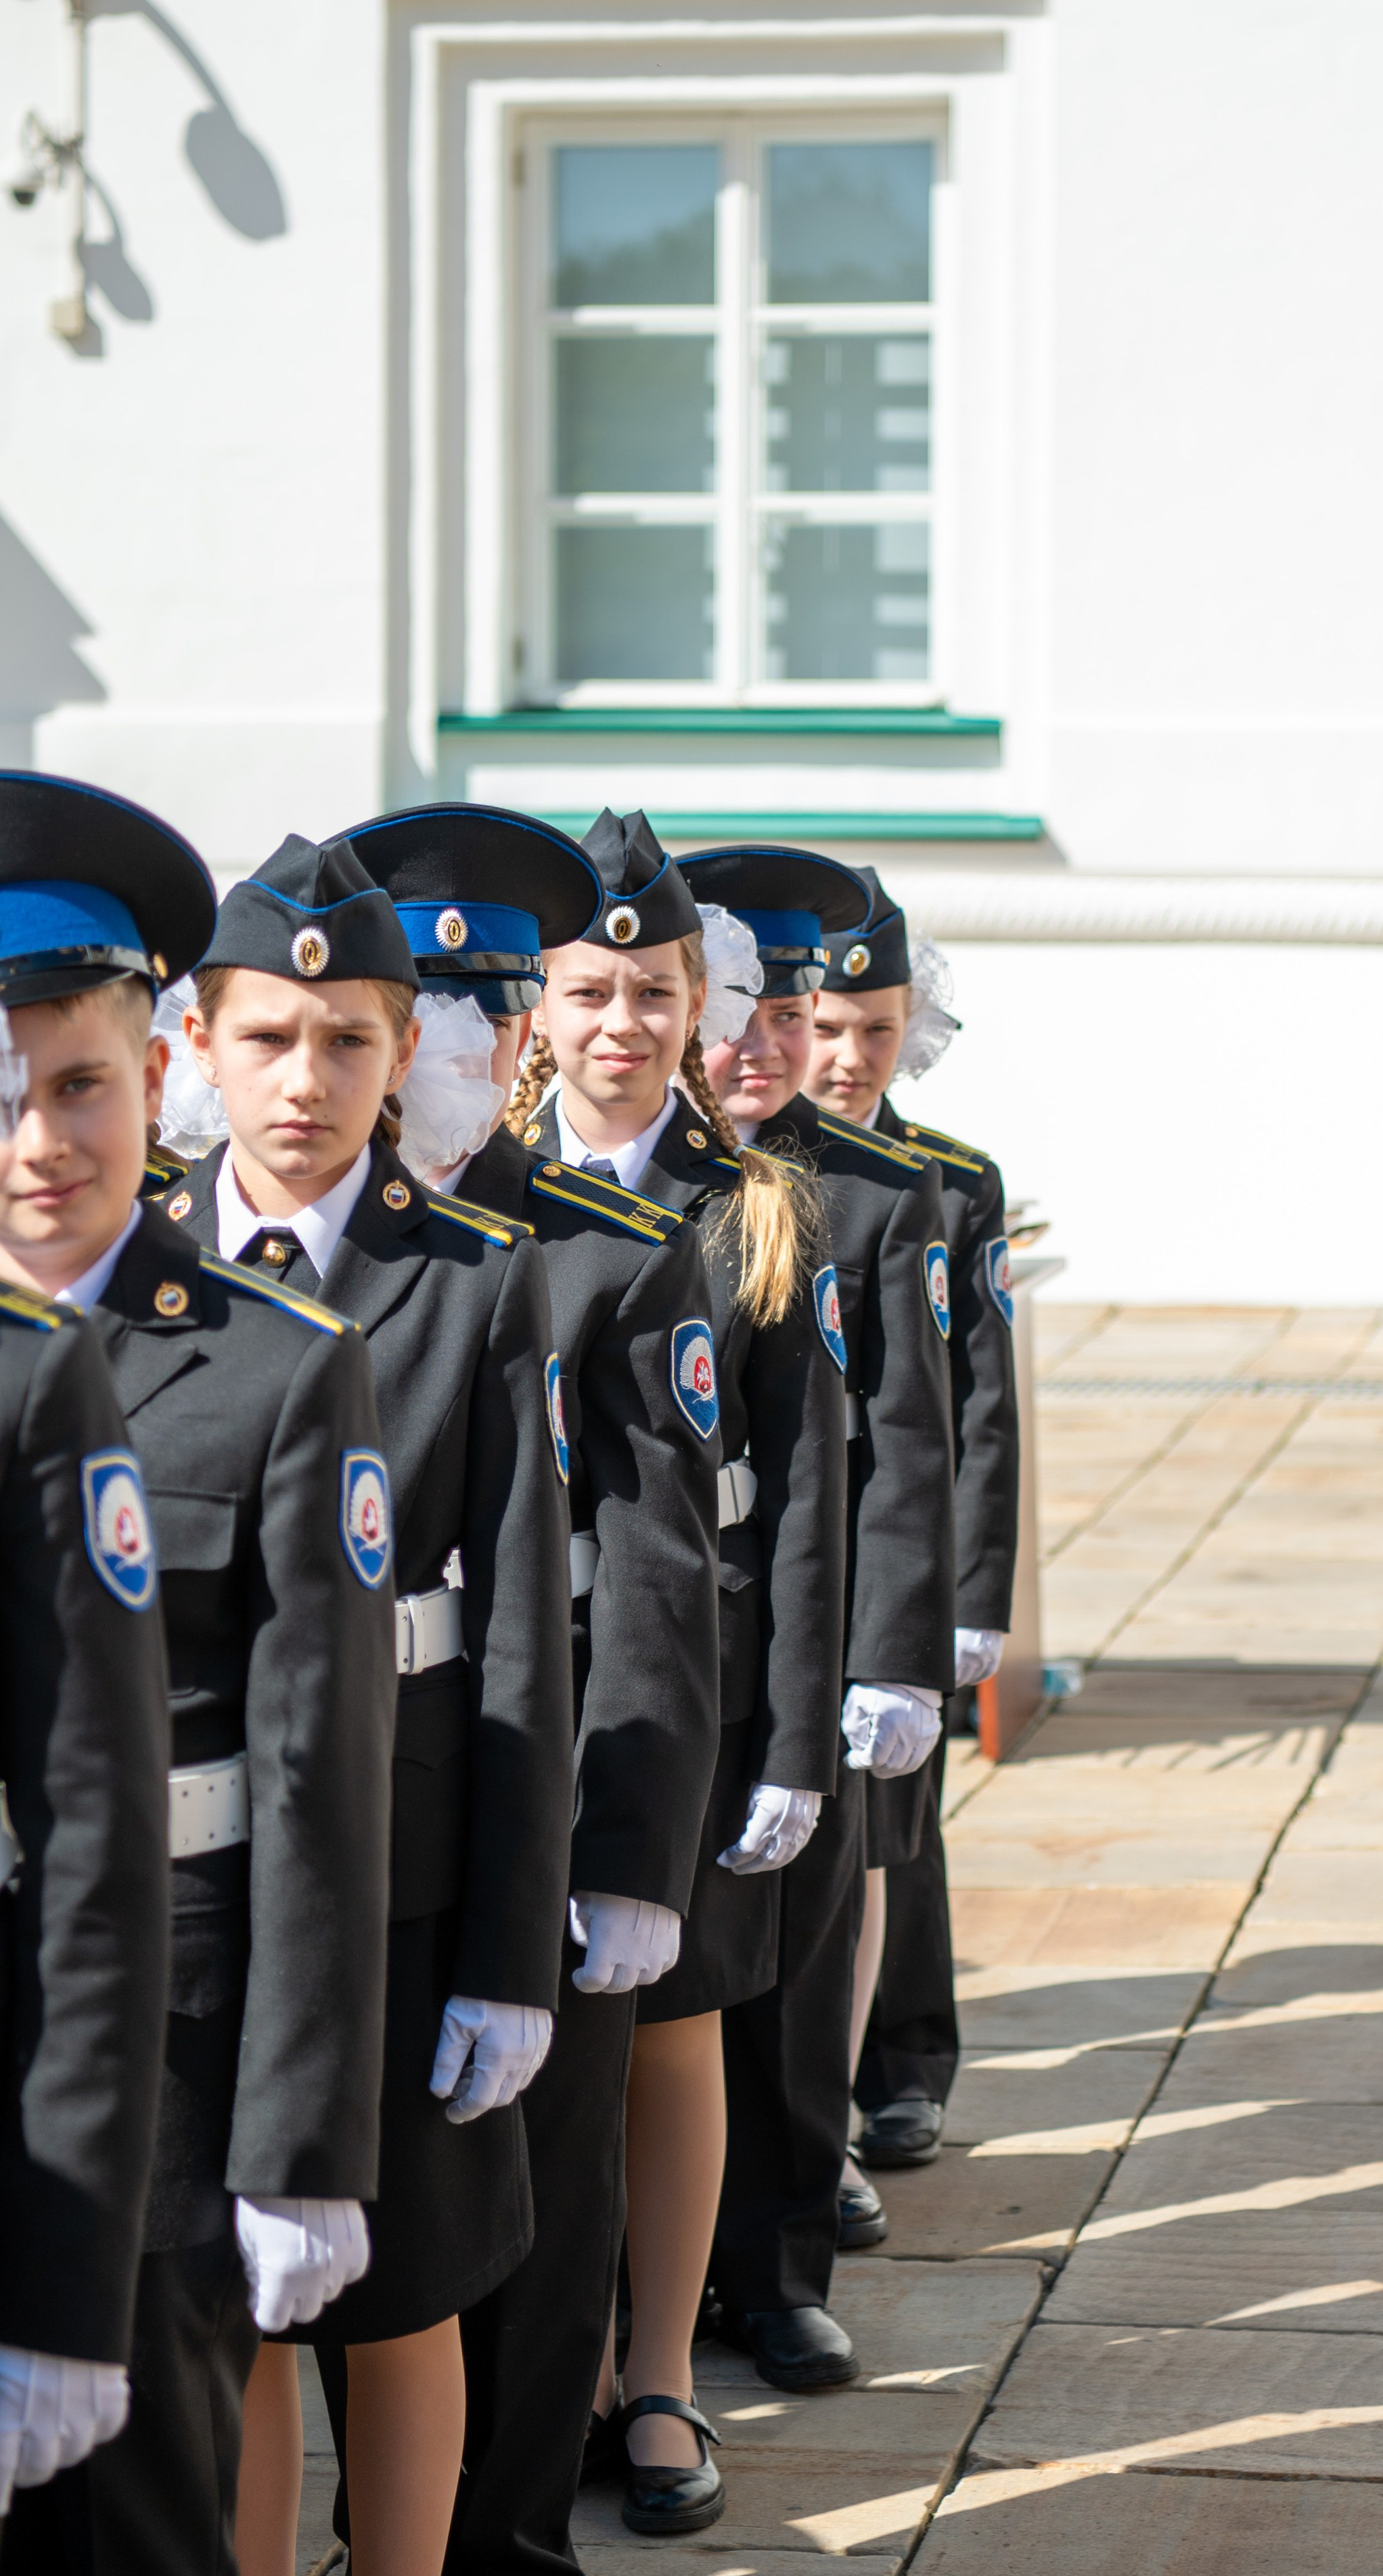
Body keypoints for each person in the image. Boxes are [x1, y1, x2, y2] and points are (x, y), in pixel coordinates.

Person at [0, 775, 396, 2576]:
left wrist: (302, 2131)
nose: (36, 1138)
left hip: (165, 2038)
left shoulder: (277, 1364)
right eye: (2, 1087)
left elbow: (323, 1766)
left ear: (152, 1075)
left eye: (78, 1082)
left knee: (144, 2516)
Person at [165, 832, 572, 2576]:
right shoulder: (125, 1278)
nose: (308, 1078)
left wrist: (505, 1954)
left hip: (405, 1873)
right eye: (270, 1038)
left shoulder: (472, 1286)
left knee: (399, 2295)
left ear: (409, 1050)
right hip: (202, 1888)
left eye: (350, 1039)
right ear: (198, 1043)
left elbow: (530, 1654)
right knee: (224, 2299)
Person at [340, 803, 727, 2564]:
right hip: (340, 1806)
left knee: (544, 2192)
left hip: (540, 1784)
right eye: (393, 1011)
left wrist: (639, 1851)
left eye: (461, 1016)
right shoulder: (274, 1247)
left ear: (507, 1039)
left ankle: (506, 2533)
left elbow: (657, 1571)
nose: (424, 1052)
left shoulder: (603, 1248)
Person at [535, 812, 852, 2520]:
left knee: (671, 2034)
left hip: (695, 1693)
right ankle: (560, 2363)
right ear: (536, 1007)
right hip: (527, 1687)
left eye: (651, 991)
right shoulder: (478, 1193)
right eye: (588, 990)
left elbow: (806, 1499)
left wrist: (798, 1734)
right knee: (538, 2050)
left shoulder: (756, 1209)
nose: (623, 1023)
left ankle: (658, 2377)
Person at [674, 841, 955, 2395]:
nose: (771, 1041)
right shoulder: (631, 1187)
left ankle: (774, 2267)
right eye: (745, 1007)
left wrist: (895, 1655)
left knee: (794, 1964)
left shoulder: (877, 1193)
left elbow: (907, 1443)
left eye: (793, 1009)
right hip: (673, 1631)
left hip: (818, 1631)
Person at [804, 870, 1019, 2202]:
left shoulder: (951, 1182)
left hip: (904, 1557)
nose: (844, 1056)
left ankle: (904, 2069)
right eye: (825, 1025)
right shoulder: (752, 1169)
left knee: (901, 1829)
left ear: (910, 1032)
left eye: (873, 1031)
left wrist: (972, 1593)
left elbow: (979, 1411)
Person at [0, 996, 173, 2532]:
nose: (37, 1145)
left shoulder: (32, 1381)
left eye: (76, 1087)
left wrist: (61, 2292)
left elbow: (92, 1843)